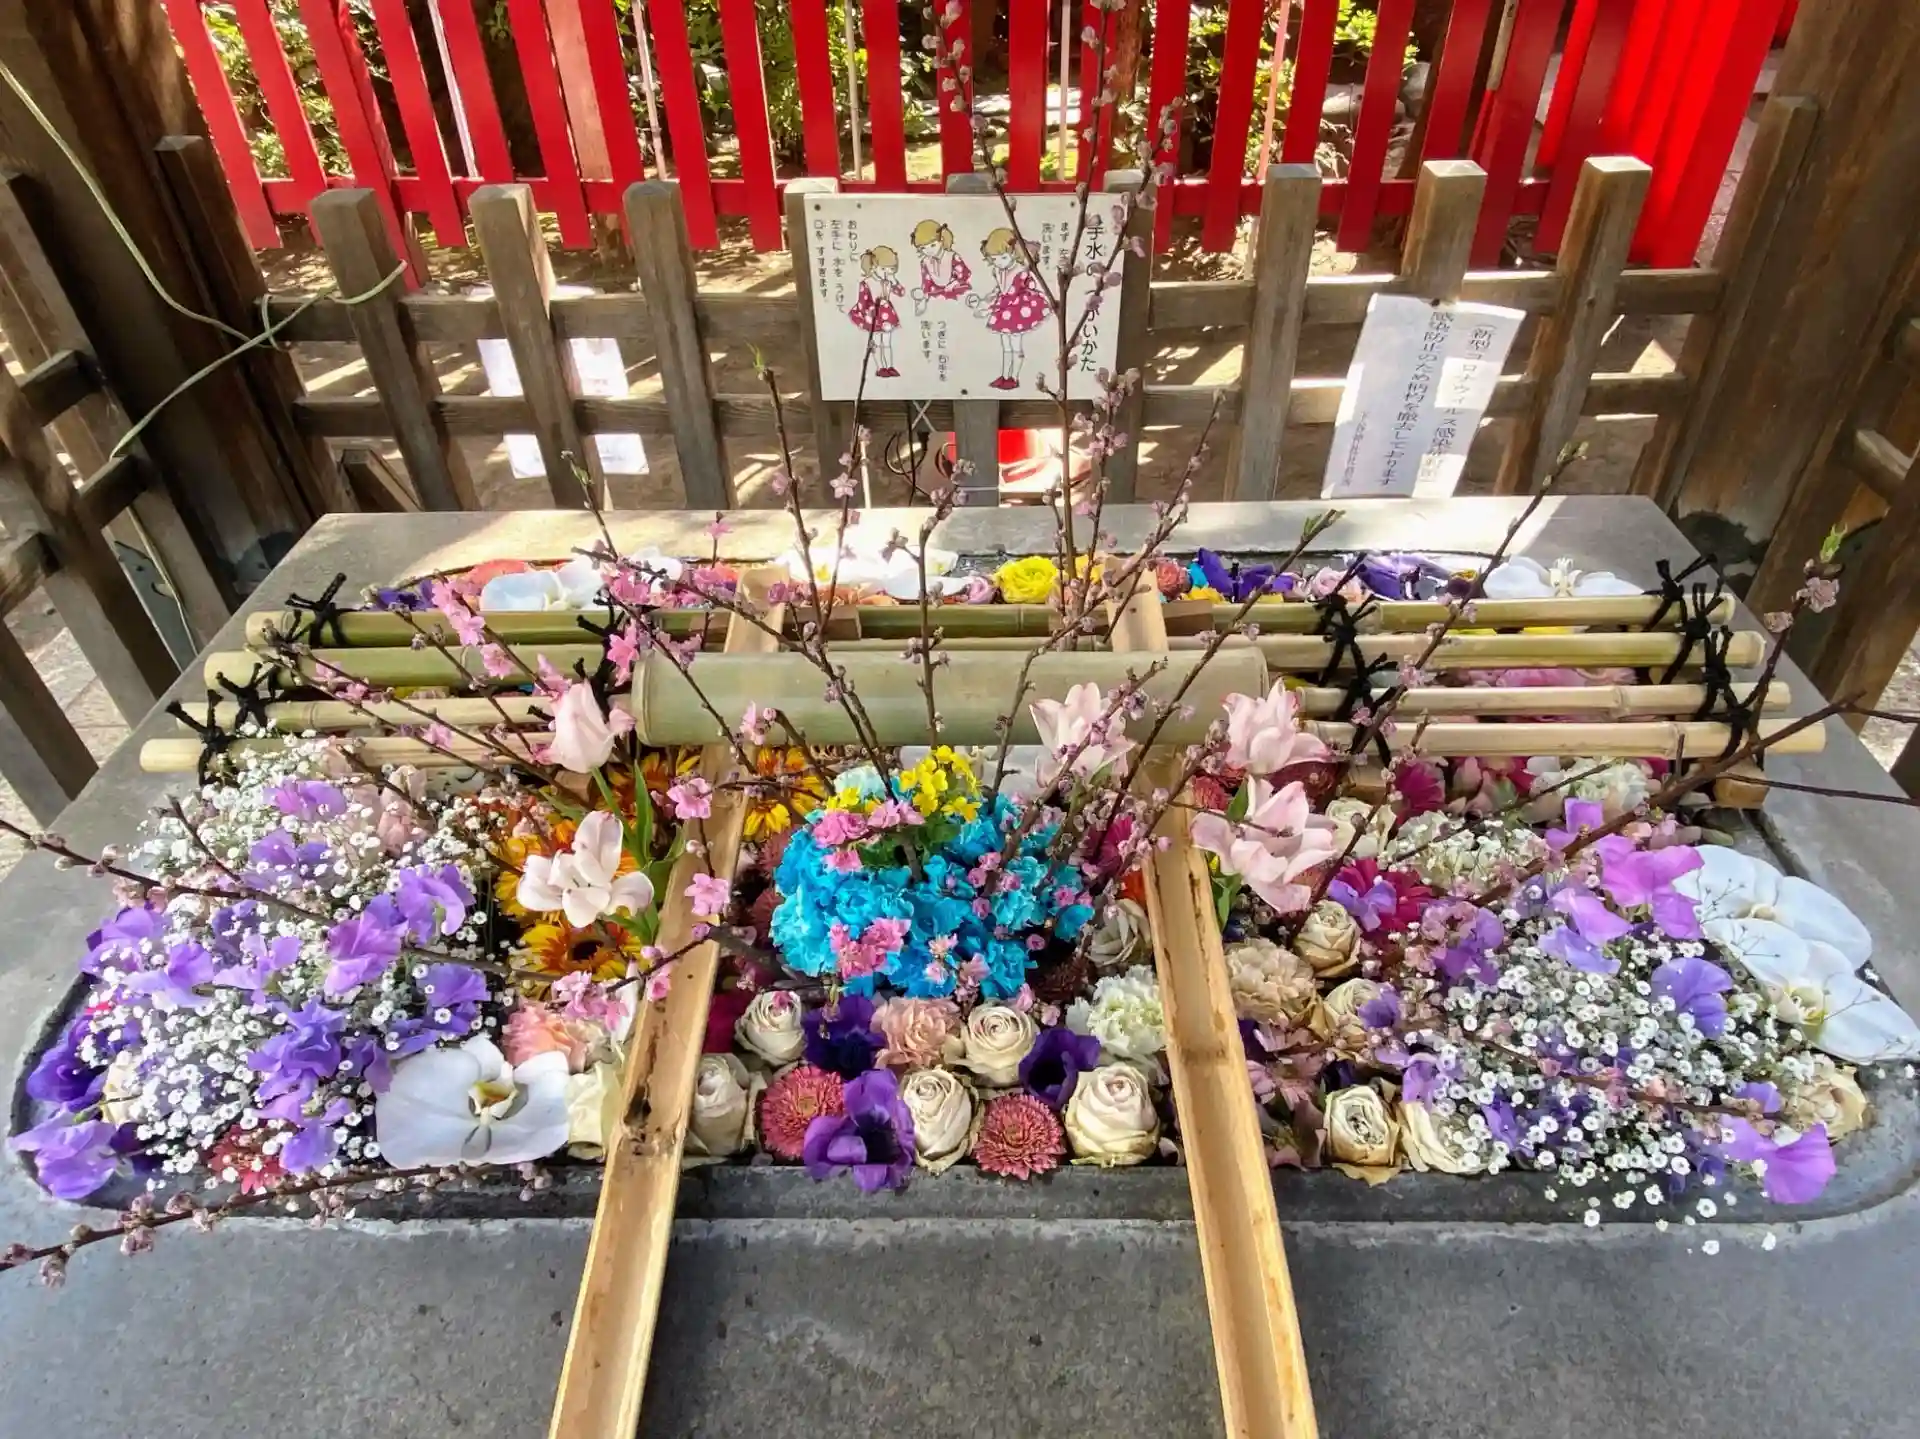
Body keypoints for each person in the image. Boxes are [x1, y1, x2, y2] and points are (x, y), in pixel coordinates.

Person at [970, 228, 1049, 390]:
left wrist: (989, 309)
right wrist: (986, 300)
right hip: (1004, 310)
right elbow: (999, 290)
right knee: (1006, 346)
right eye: (994, 259)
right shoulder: (999, 271)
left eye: (1004, 257)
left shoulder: (1020, 272)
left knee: (1015, 345)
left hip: (1017, 310)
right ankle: (1005, 376)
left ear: (1014, 253)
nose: (999, 262)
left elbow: (1014, 293)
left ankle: (1015, 377)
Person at [847, 246, 905, 377]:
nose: (887, 272)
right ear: (873, 266)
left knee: (887, 343)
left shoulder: (887, 282)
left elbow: (901, 292)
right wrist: (869, 312)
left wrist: (894, 280)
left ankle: (889, 366)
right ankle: (880, 368)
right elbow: (862, 302)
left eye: (891, 269)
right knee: (877, 343)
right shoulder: (867, 283)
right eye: (883, 269)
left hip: (887, 316)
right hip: (873, 316)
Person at [908, 219, 970, 317]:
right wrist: (923, 297)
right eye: (923, 248)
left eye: (933, 245)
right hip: (937, 296)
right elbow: (926, 283)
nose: (929, 251)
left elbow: (965, 275)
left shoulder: (952, 256)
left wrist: (954, 283)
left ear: (941, 241)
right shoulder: (925, 262)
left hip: (956, 293)